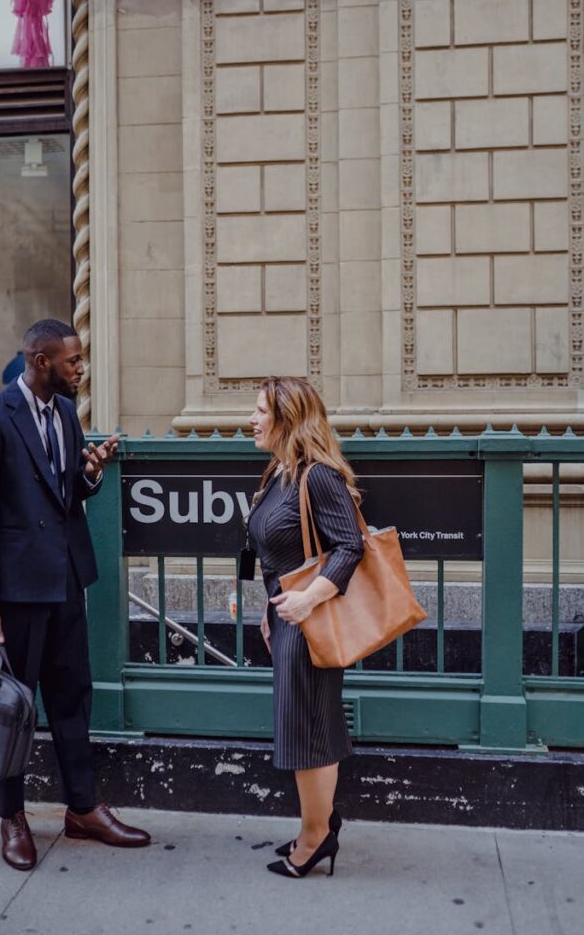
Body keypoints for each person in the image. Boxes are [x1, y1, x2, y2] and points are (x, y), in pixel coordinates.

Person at [0, 318, 150, 870]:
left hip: (66, 580)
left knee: (73, 698)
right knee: (15, 710)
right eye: (72, 361)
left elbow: (64, 493)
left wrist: (90, 474)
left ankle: (83, 809)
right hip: (15, 592)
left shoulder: (66, 414)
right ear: (40, 361)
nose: (80, 368)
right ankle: (11, 817)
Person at [246, 376, 363, 879]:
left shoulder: (317, 476)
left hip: (311, 622)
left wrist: (307, 598)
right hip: (289, 619)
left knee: (311, 731)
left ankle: (316, 839)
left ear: (287, 418)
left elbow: (350, 545)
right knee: (302, 728)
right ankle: (316, 825)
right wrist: (269, 608)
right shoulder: (280, 474)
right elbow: (278, 553)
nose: (250, 420)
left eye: (259, 411)